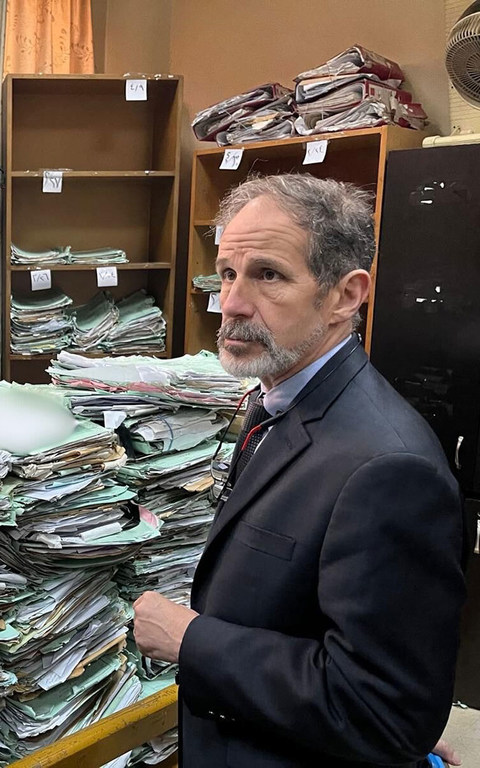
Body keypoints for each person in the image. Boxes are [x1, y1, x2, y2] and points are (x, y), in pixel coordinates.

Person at [131, 174, 467, 768]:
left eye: (268, 275)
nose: (231, 303)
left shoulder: (387, 468)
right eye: (227, 273)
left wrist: (190, 639)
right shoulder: (283, 403)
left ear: (345, 295)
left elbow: (385, 714)